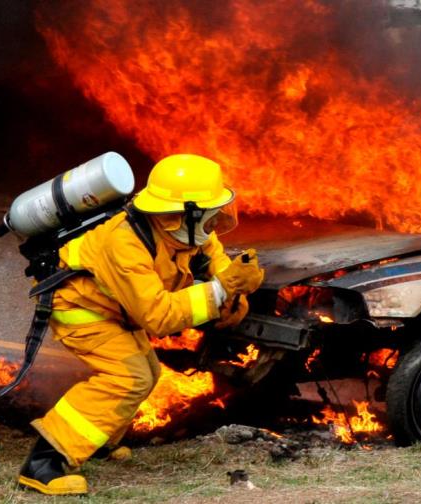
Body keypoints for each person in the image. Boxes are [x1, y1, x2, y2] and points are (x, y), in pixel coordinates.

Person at [17, 154, 264, 495]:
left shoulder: (185, 229)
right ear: (184, 212)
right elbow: (159, 317)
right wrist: (221, 291)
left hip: (116, 308)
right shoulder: (124, 242)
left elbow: (213, 255)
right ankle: (45, 464)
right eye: (210, 215)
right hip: (81, 311)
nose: (215, 223)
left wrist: (233, 284)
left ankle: (98, 441)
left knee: (148, 372)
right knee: (127, 376)